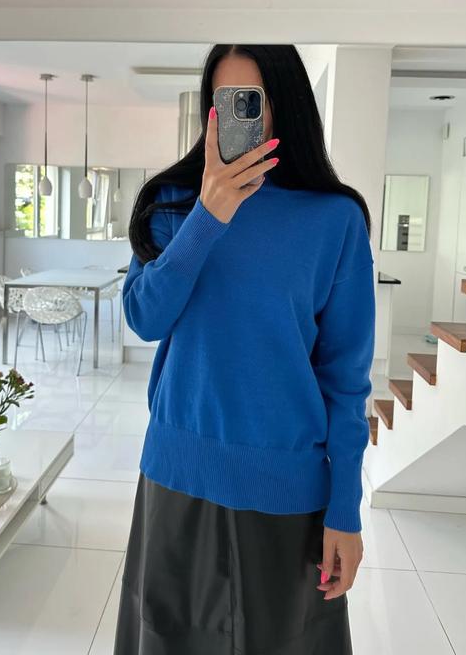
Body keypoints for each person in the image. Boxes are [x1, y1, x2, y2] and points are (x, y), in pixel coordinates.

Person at [113, 44, 376, 655]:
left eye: (250, 102)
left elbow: (346, 379)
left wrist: (346, 508)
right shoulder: (172, 203)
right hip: (178, 475)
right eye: (223, 102)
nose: (236, 116)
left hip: (287, 488)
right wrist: (208, 215)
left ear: (285, 106)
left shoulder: (334, 220)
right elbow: (144, 318)